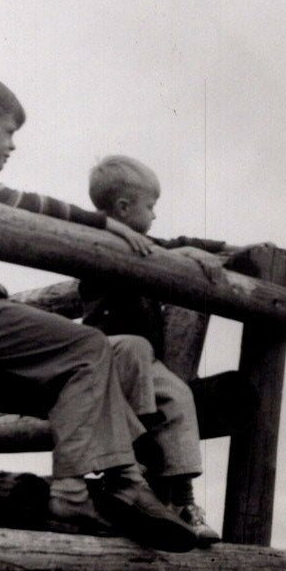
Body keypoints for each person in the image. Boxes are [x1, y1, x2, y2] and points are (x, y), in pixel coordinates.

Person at [0, 73, 197, 551]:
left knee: (126, 348)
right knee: (87, 345)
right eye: (9, 131)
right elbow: (21, 206)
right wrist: (103, 223)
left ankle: (131, 478)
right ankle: (76, 491)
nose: (13, 144)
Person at [79, 154, 225, 545]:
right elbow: (155, 253)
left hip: (147, 360)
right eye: (150, 207)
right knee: (146, 416)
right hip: (108, 356)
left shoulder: (143, 244)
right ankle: (136, 489)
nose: (155, 216)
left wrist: (220, 250)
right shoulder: (97, 241)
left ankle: (184, 503)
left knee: (178, 397)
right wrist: (179, 256)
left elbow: (172, 244)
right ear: (124, 208)